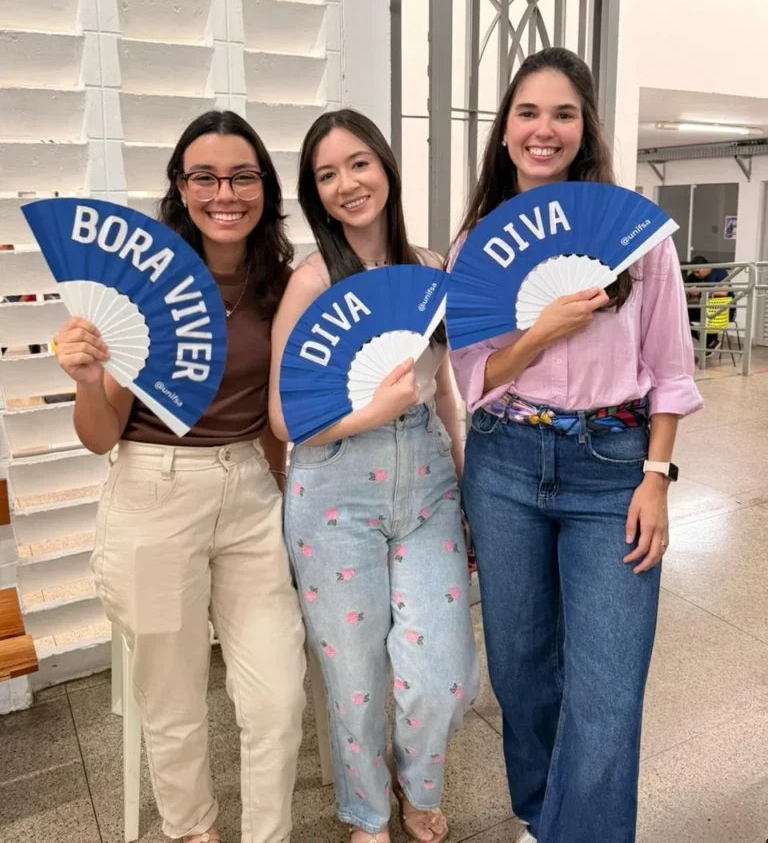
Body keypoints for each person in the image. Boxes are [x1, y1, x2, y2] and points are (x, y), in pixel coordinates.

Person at [447, 48, 702, 843]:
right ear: (504, 130)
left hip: (613, 468)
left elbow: (671, 369)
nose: (544, 130)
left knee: (608, 689)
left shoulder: (637, 236)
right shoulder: (477, 243)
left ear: (586, 128)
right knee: (521, 674)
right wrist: (540, 331)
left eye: (563, 113)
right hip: (504, 463)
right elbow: (473, 377)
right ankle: (541, 818)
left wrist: (656, 477)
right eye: (527, 112)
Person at [52, 111, 306, 843]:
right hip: (153, 490)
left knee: (278, 697)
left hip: (251, 492)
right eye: (205, 177)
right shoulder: (145, 287)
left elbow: (273, 415)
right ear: (180, 187)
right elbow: (101, 436)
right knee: (172, 698)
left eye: (243, 177)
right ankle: (192, 830)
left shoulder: (280, 285)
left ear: (265, 188)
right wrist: (88, 380)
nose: (225, 194)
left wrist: (283, 491)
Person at [269, 109, 479, 843]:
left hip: (428, 480)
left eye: (358, 163)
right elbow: (284, 418)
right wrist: (371, 411)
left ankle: (417, 782)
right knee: (354, 675)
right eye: (326, 174)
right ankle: (367, 812)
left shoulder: (429, 268)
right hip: (333, 487)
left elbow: (444, 391)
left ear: (386, 167)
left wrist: (464, 485)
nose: (347, 184)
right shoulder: (310, 282)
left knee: (442, 668)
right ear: (314, 193)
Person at [684, 254, 730, 352]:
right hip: (698, 307)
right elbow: (685, 288)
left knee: (704, 315)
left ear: (706, 267)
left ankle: (709, 342)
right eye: (694, 272)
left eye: (698, 271)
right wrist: (689, 291)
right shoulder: (693, 276)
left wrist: (700, 292)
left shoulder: (719, 272)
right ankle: (701, 342)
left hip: (720, 310)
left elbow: (724, 292)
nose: (696, 274)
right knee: (682, 316)